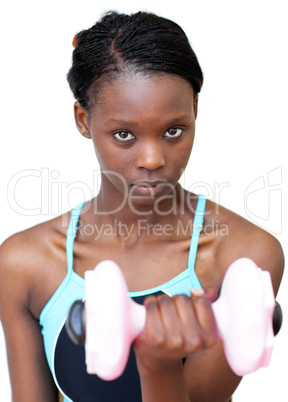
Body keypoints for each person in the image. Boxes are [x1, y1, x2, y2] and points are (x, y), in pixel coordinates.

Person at [0, 10, 284, 402]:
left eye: (174, 131)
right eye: (123, 134)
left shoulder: (242, 257)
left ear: (195, 112)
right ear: (83, 120)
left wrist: (158, 362)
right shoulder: (24, 262)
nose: (152, 159)